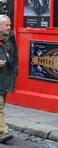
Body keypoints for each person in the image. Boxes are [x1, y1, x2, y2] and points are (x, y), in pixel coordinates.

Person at [0, 15, 17, 143]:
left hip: (5, 78)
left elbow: (14, 55)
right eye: (7, 25)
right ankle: (3, 132)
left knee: (2, 105)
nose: (9, 27)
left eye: (10, 25)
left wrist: (15, 70)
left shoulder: (10, 38)